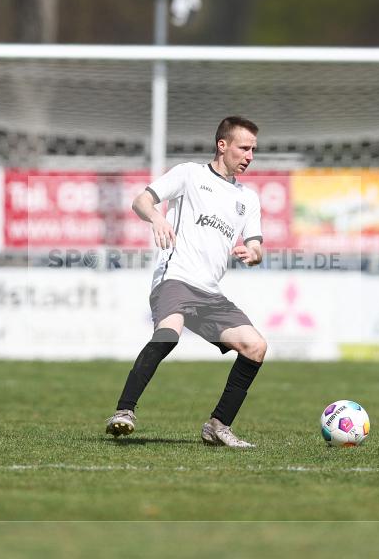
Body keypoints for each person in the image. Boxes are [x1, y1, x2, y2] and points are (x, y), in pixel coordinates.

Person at [105, 116, 267, 448]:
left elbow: (256, 245)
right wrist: (157, 217)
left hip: (210, 294)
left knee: (256, 347)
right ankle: (124, 412)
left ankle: (218, 426)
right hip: (176, 279)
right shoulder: (190, 174)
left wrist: (253, 253)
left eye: (253, 150)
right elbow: (141, 200)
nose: (249, 156)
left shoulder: (248, 198)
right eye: (244, 148)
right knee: (169, 335)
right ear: (222, 145)